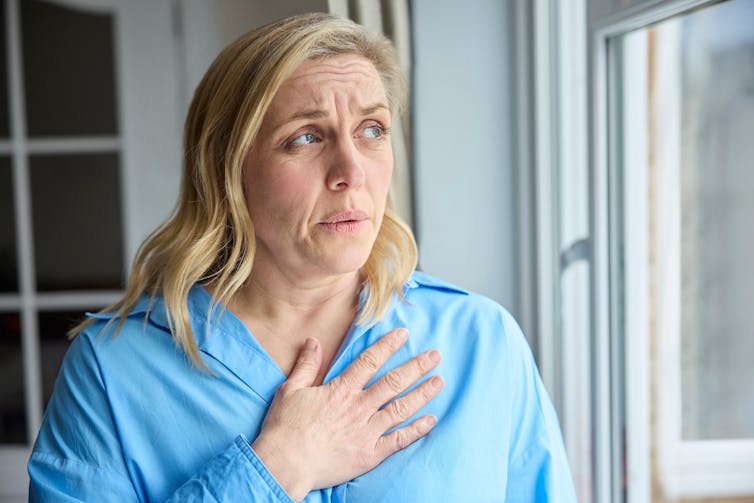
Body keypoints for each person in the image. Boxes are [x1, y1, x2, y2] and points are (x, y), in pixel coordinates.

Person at [28, 12, 576, 502]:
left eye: (372, 130)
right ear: (227, 168)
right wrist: (278, 467)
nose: (352, 171)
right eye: (306, 137)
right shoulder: (111, 370)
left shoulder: (480, 342)